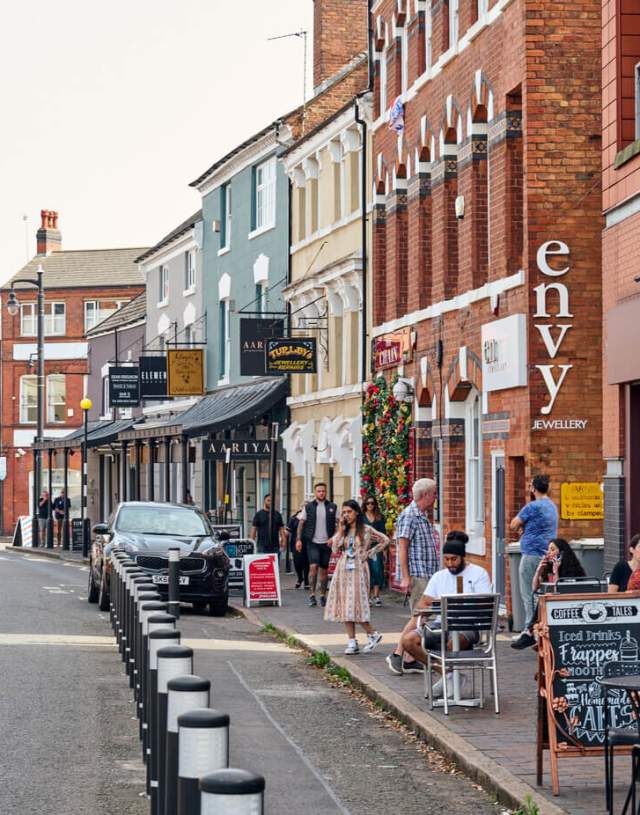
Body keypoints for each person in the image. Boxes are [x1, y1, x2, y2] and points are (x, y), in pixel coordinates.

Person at [399, 532, 492, 697]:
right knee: (408, 641)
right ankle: (448, 674)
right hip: (442, 623)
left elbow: (485, 602)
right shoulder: (439, 577)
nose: (450, 563)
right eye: (446, 559)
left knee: (451, 643)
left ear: (463, 557)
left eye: (454, 559)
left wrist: (461, 605)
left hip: (470, 625)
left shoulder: (478, 574)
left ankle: (451, 679)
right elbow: (423, 603)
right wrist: (437, 603)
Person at [385, 478, 439, 675]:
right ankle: (398, 654)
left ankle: (409, 658)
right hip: (417, 574)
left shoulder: (422, 516)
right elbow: (402, 547)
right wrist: (406, 577)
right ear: (425, 495)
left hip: (426, 573)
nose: (435, 497)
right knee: (419, 615)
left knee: (421, 616)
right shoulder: (409, 516)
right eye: (434, 493)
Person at [324, 500, 390, 654]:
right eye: (344, 512)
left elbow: (385, 540)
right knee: (346, 603)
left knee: (356, 603)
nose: (346, 515)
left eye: (349, 512)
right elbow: (334, 548)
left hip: (359, 568)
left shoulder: (366, 529)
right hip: (343, 568)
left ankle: (372, 633)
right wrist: (340, 530)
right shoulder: (343, 530)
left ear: (356, 512)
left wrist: (369, 553)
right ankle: (352, 641)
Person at [511, 538, 586, 649]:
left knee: (544, 601)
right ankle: (533, 634)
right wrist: (539, 570)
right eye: (548, 550)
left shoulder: (573, 570)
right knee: (542, 600)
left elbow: (559, 591)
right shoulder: (548, 567)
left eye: (552, 549)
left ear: (561, 553)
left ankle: (531, 633)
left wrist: (556, 572)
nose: (549, 553)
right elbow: (535, 588)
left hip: (567, 605)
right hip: (552, 604)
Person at [509, 474, 558, 633]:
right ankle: (542, 627)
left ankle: (529, 630)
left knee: (529, 594)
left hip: (531, 554)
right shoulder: (552, 506)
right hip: (548, 555)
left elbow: (513, 525)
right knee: (543, 593)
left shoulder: (532, 507)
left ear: (533, 488)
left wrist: (522, 527)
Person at [296, 483, 338, 608]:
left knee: (324, 570)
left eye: (323, 491)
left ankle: (323, 595)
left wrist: (334, 537)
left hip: (326, 543)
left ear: (326, 492)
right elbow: (301, 523)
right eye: (319, 491)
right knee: (313, 567)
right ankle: (312, 595)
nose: (321, 493)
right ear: (315, 492)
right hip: (312, 542)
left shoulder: (332, 507)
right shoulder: (309, 507)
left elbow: (339, 523)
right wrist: (298, 539)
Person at [362, 496, 386, 606]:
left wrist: (383, 549)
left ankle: (376, 596)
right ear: (365, 505)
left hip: (377, 547)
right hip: (365, 547)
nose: (370, 505)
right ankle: (368, 596)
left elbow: (383, 533)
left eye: (372, 503)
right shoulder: (361, 517)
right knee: (368, 570)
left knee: (377, 569)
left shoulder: (379, 517)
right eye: (368, 503)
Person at [286, 504, 309, 589]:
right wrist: (282, 537)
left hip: (308, 543)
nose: (305, 508)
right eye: (303, 506)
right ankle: (300, 577)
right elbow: (288, 531)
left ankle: (306, 581)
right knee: (297, 562)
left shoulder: (311, 518)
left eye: (306, 506)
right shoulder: (294, 518)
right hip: (295, 544)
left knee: (307, 563)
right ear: (300, 508)